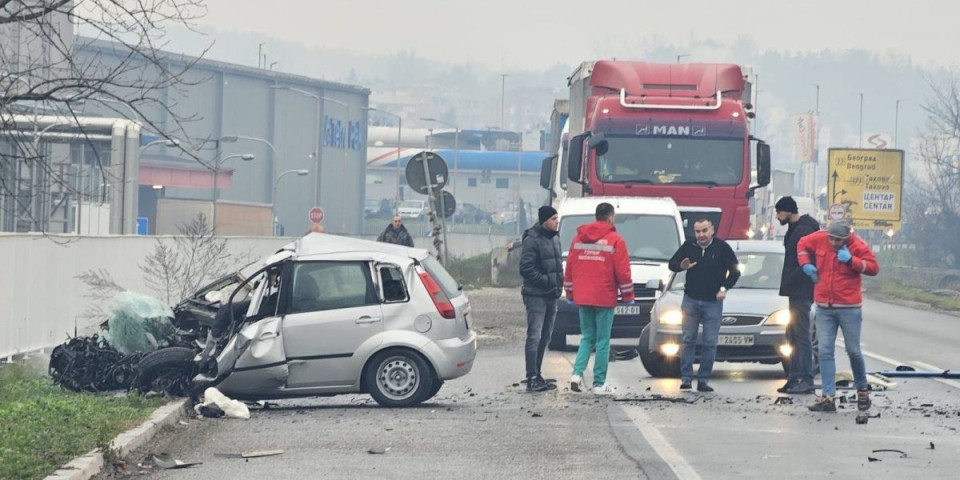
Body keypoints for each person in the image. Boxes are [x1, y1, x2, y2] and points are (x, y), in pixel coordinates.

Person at [797, 221, 879, 412]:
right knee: (825, 351)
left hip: (849, 307)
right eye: (831, 239)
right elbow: (801, 244)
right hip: (824, 307)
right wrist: (806, 264)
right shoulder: (819, 238)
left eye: (838, 240)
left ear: (847, 238)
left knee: (853, 351)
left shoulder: (857, 246)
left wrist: (852, 261)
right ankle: (828, 396)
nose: (833, 243)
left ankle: (862, 391)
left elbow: (874, 268)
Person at [563, 202, 634, 395]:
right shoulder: (615, 240)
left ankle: (576, 375)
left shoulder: (578, 238)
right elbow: (622, 271)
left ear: (596, 216)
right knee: (603, 340)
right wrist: (628, 295)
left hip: (583, 296)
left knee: (587, 337)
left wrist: (570, 293)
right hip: (604, 295)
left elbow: (569, 268)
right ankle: (599, 383)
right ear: (611, 217)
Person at [668, 218, 740, 392]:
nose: (701, 235)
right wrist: (681, 266)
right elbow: (672, 264)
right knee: (687, 339)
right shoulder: (688, 246)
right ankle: (686, 378)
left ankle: (703, 379)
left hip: (713, 302)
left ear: (712, 230)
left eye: (704, 230)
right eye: (698, 231)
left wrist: (724, 288)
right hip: (691, 300)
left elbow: (735, 271)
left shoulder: (722, 248)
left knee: (709, 342)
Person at [774, 196, 821, 394]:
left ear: (788, 211)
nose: (777, 217)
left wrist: (792, 280)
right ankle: (793, 377)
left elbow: (805, 263)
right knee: (793, 335)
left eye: (779, 212)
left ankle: (806, 378)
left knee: (801, 336)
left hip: (801, 290)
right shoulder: (795, 230)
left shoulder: (804, 231)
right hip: (795, 290)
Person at [519, 206, 563, 392]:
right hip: (536, 295)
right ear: (544, 220)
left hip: (551, 295)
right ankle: (531, 377)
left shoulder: (554, 238)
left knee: (546, 336)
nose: (557, 222)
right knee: (535, 335)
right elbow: (526, 268)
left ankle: (538, 373)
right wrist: (546, 281)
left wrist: (558, 284)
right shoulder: (532, 240)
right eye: (553, 219)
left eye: (557, 218)